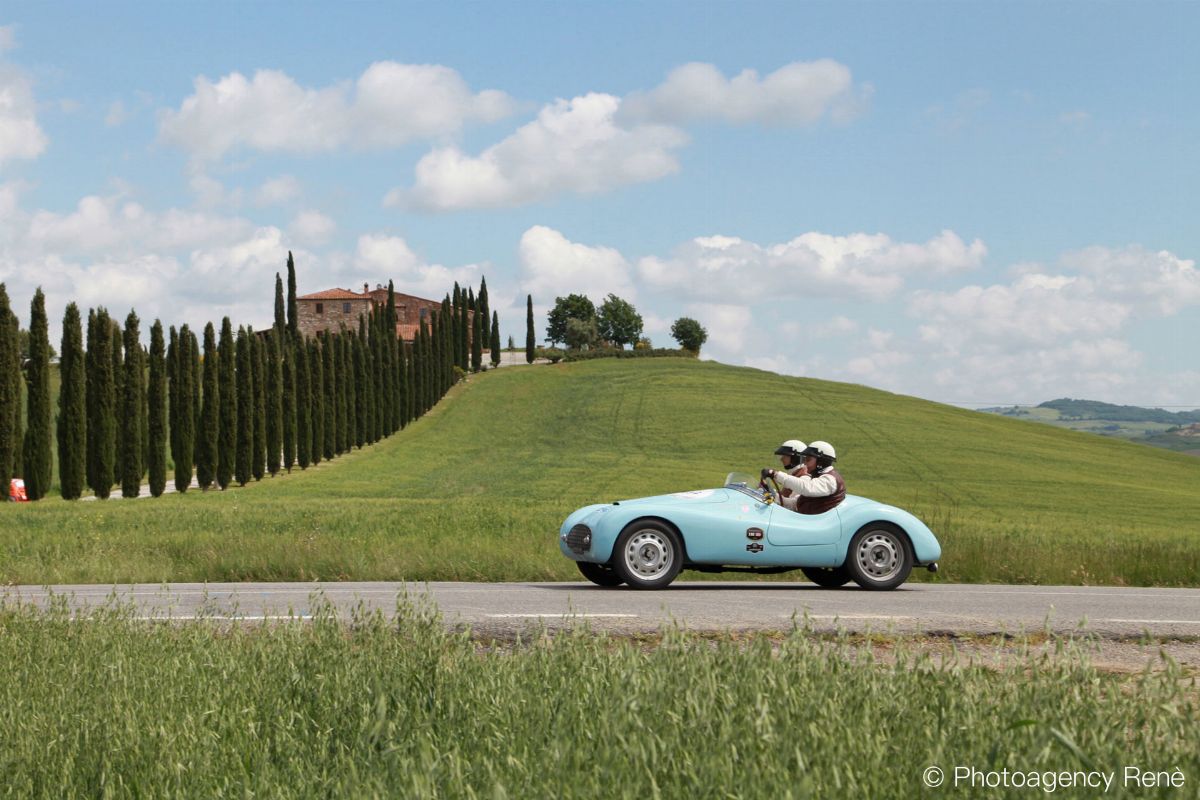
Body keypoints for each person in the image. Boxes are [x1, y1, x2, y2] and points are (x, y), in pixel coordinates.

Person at [761, 440, 845, 514]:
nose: (805, 463)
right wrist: (774, 496)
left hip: (819, 525)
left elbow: (807, 488)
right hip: (809, 522)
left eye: (808, 460)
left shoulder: (830, 479)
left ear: (821, 461)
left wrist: (776, 474)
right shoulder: (818, 477)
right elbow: (794, 504)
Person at [767, 439, 806, 511]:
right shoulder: (795, 475)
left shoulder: (804, 478)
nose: (781, 459)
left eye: (785, 456)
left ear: (795, 458)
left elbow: (792, 505)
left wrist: (773, 495)